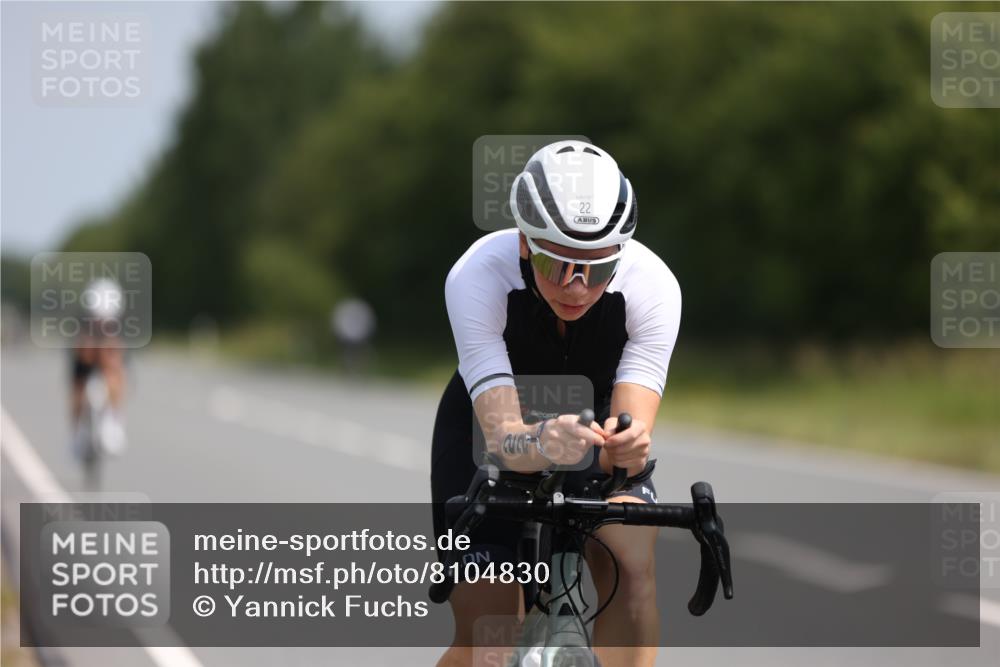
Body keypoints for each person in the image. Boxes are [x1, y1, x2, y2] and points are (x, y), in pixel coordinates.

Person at [432, 140, 681, 667]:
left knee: (633, 569)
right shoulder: (477, 275)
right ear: (524, 243)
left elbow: (623, 458)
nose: (575, 287)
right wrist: (543, 439)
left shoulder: (652, 285)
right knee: (488, 640)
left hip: (592, 436)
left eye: (595, 269)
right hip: (488, 439)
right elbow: (504, 439)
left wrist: (630, 446)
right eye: (556, 264)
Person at [70, 277, 128, 458]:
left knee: (115, 373)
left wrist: (109, 358)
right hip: (85, 361)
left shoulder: (116, 329)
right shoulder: (84, 325)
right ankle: (78, 430)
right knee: (78, 385)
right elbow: (81, 356)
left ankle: (113, 418)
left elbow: (116, 361)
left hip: (109, 364)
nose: (101, 325)